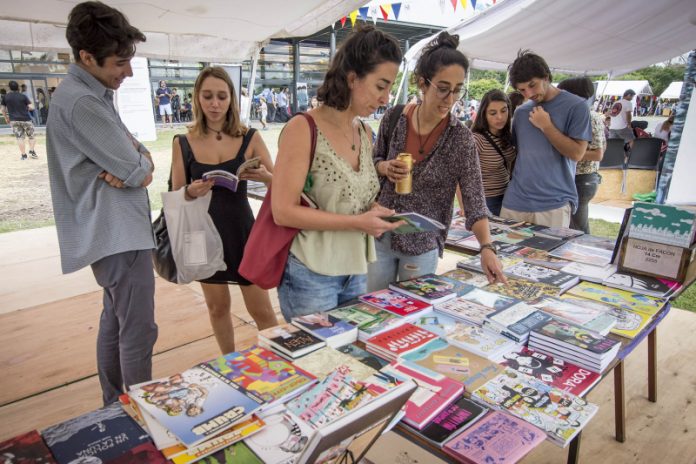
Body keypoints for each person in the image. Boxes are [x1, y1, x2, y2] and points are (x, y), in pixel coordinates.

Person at [46, 1, 157, 405]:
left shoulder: (90, 94)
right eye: (120, 63)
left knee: (116, 323)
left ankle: (116, 407)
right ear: (87, 57)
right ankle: (140, 410)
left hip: (115, 234)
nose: (127, 71)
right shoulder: (83, 102)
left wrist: (137, 163)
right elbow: (139, 170)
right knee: (138, 329)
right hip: (118, 234)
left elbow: (141, 156)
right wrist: (137, 166)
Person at [272, 25, 405, 321]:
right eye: (380, 86)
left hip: (356, 270)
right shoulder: (302, 129)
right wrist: (358, 222)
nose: (385, 99)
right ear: (352, 77)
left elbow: (353, 197)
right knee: (316, 364)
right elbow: (282, 212)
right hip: (311, 274)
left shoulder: (363, 131)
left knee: (348, 363)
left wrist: (373, 212)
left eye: (389, 89)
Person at [369, 32, 505, 292]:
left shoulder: (461, 139)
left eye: (457, 90)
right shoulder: (394, 118)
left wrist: (486, 247)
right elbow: (371, 164)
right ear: (423, 83)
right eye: (442, 89)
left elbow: (475, 200)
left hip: (422, 246)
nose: (450, 99)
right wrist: (383, 167)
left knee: (411, 313)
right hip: (380, 235)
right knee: (373, 309)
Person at [171, 66, 277, 354]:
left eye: (221, 96)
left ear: (232, 99)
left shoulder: (249, 136)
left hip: (242, 232)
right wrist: (190, 191)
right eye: (208, 96)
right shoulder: (183, 142)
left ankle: (280, 363)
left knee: (263, 311)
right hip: (201, 235)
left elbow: (281, 184)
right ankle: (228, 363)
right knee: (217, 308)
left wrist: (267, 178)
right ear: (197, 98)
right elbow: (175, 195)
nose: (214, 104)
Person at [500, 50, 591, 228]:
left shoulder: (576, 107)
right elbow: (518, 156)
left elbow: (577, 154)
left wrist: (547, 126)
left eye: (532, 85)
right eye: (522, 90)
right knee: (503, 255)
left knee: (545, 256)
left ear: (546, 77)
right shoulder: (521, 112)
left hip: (554, 202)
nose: (528, 94)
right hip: (515, 201)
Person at [557, 77, 606, 234]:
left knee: (578, 230)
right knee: (571, 226)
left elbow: (598, 154)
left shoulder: (588, 116)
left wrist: (569, 150)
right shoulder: (580, 114)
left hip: (581, 179)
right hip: (575, 179)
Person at [471, 89, 516, 216]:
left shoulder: (508, 135)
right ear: (484, 114)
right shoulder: (477, 139)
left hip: (509, 196)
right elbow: (459, 175)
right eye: (493, 113)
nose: (500, 117)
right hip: (486, 199)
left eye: (504, 110)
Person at [2, 80, 38, 160]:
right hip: (26, 119)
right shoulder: (23, 96)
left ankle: (23, 155)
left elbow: (3, 110)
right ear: (18, 87)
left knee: (19, 138)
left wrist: (6, 118)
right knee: (31, 136)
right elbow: (32, 107)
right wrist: (26, 108)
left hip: (14, 120)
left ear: (9, 87)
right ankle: (31, 151)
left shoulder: (6, 97)